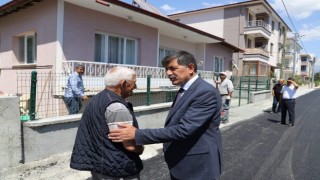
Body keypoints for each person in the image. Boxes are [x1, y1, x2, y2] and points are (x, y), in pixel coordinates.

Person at [109, 51, 222, 179]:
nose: (168, 73)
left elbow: (184, 130)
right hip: (184, 164)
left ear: (190, 68)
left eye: (173, 68)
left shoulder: (205, 92)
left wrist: (137, 134)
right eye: (166, 69)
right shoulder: (186, 89)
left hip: (198, 167)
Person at [70, 67, 144, 179]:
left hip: (100, 164)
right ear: (123, 84)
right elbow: (129, 145)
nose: (136, 87)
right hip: (118, 168)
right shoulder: (117, 107)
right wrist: (141, 148)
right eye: (134, 83)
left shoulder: (97, 98)